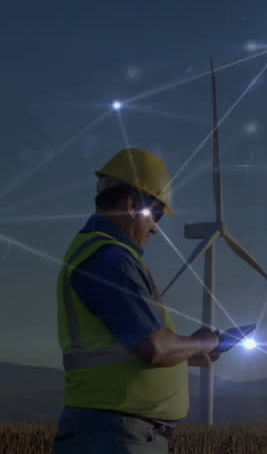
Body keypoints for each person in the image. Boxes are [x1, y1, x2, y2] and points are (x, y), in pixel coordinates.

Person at [53, 148, 222, 453]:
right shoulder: (109, 258)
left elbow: (125, 348)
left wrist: (188, 355)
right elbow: (155, 348)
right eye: (155, 213)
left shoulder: (100, 253)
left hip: (113, 432)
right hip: (114, 435)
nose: (156, 227)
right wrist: (202, 342)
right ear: (131, 205)